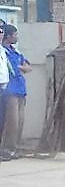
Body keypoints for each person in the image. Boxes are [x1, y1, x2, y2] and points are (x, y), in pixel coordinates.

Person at [1, 25, 32, 161]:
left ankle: (14, 148)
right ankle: (7, 149)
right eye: (15, 34)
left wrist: (22, 67)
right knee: (12, 121)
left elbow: (27, 66)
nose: (17, 37)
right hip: (9, 90)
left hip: (20, 89)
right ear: (8, 36)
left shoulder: (16, 51)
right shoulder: (3, 51)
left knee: (20, 121)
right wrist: (21, 68)